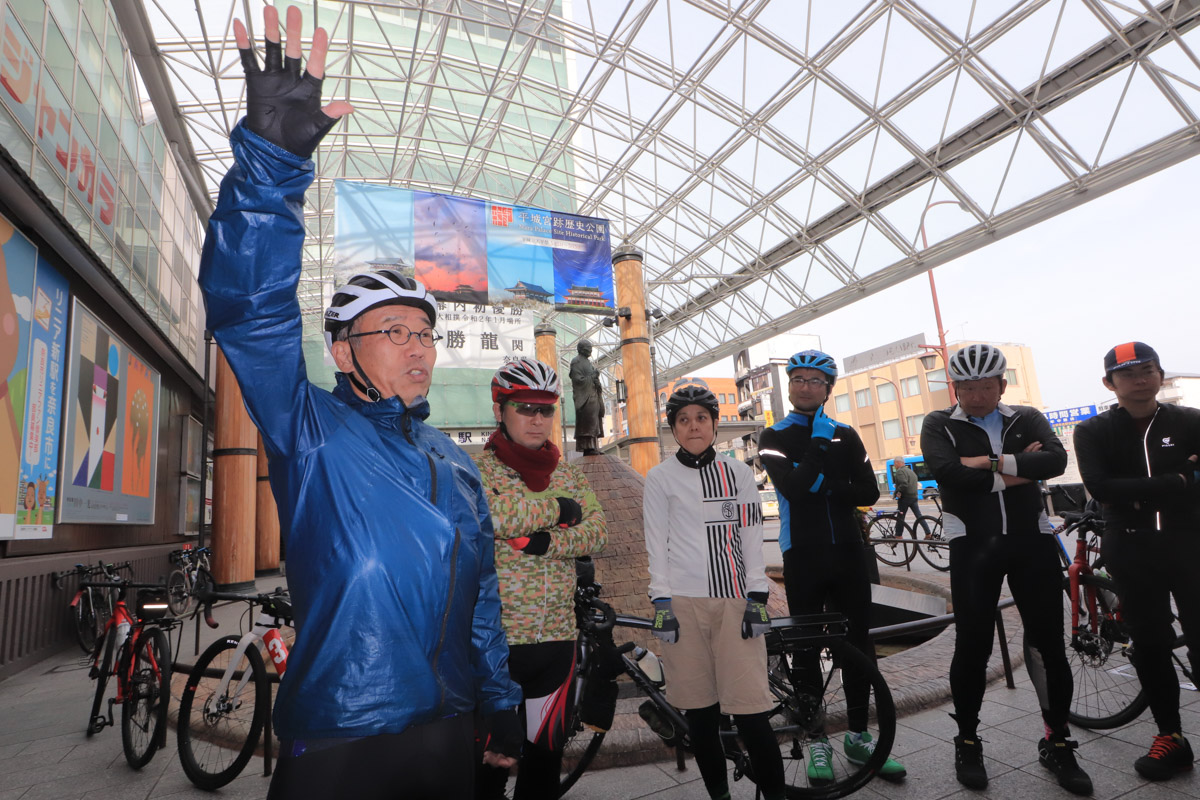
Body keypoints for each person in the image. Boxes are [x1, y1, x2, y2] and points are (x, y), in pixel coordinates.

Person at [198, 8, 521, 798]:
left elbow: (480, 599)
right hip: (341, 734)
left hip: (447, 732)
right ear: (342, 352)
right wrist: (271, 168)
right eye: (394, 332)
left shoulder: (455, 463)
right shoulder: (310, 430)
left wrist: (502, 703)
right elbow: (248, 308)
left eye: (426, 332)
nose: (419, 347)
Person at [920, 343, 1091, 794]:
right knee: (972, 644)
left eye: (985, 386)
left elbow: (1054, 461)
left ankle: (1057, 740)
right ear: (955, 387)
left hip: (1029, 541)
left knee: (1048, 645)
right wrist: (1021, 469)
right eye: (966, 387)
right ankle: (968, 738)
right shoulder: (939, 423)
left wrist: (987, 463)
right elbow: (948, 474)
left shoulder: (1027, 416)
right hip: (972, 545)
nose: (975, 396)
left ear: (1002, 385)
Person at [757, 350, 906, 784]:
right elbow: (794, 490)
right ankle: (816, 740)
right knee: (804, 649)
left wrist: (821, 480)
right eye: (797, 379)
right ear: (789, 386)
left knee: (859, 645)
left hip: (848, 552)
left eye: (814, 380)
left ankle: (858, 736)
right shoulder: (774, 435)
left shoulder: (849, 434)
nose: (805, 386)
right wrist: (819, 450)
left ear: (828, 388)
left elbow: (869, 493)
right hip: (802, 553)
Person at [473, 357, 609, 799]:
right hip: (495, 646)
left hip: (556, 640)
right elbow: (492, 515)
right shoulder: (478, 471)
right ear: (500, 410)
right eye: (525, 408)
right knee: (489, 768)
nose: (537, 420)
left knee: (544, 766)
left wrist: (541, 543)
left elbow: (597, 531)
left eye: (546, 409)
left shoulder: (567, 471)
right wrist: (559, 511)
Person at [643, 385, 786, 800]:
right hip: (683, 606)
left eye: (701, 418)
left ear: (714, 424)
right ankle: (719, 796)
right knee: (700, 717)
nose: (693, 427)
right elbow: (657, 542)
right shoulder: (659, 478)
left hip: (734, 602)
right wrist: (661, 602)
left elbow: (750, 536)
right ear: (673, 429)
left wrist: (757, 598)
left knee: (752, 715)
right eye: (683, 420)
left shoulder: (738, 474)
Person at [1074, 342, 1200, 781]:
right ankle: (1172, 738)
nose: (1139, 378)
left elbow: (1124, 487)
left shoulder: (1191, 420)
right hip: (1130, 546)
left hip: (1191, 543)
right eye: (1127, 373)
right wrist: (1181, 477)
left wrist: (1146, 487)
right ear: (1110, 383)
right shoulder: (1093, 431)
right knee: (1150, 644)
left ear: (1160, 374)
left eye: (1147, 369)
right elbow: (1103, 488)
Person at [569, 339, 604, 454]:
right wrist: (593, 376)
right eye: (589, 348)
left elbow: (591, 377)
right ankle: (587, 447)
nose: (591, 351)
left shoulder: (587, 362)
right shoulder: (576, 362)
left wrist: (595, 379)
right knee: (588, 422)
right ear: (582, 349)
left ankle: (594, 446)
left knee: (594, 421)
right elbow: (578, 380)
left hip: (593, 396)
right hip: (584, 398)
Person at [891, 457, 933, 537]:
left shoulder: (900, 471)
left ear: (897, 463)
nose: (894, 465)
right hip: (914, 497)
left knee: (900, 517)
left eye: (894, 463)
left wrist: (897, 491)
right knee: (919, 516)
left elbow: (904, 484)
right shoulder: (911, 471)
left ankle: (898, 535)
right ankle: (928, 533)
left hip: (905, 498)